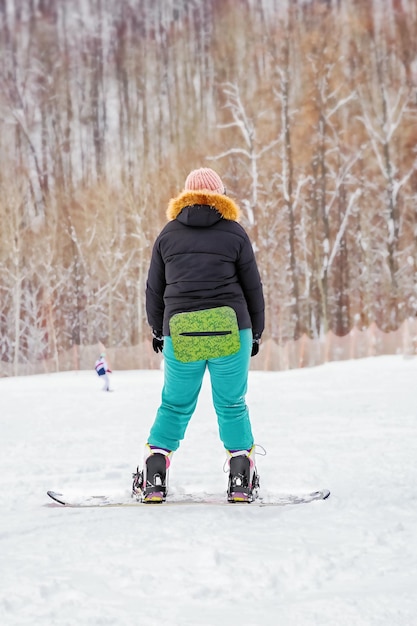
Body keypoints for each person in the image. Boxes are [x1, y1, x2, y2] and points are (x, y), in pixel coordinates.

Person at [133, 167, 265, 503]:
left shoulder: (167, 235)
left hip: (182, 333)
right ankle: (240, 480)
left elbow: (154, 289)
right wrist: (256, 333)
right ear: (220, 195)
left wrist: (157, 328)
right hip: (231, 330)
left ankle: (154, 476)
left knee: (174, 405)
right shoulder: (235, 233)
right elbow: (253, 287)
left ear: (185, 195)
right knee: (232, 405)